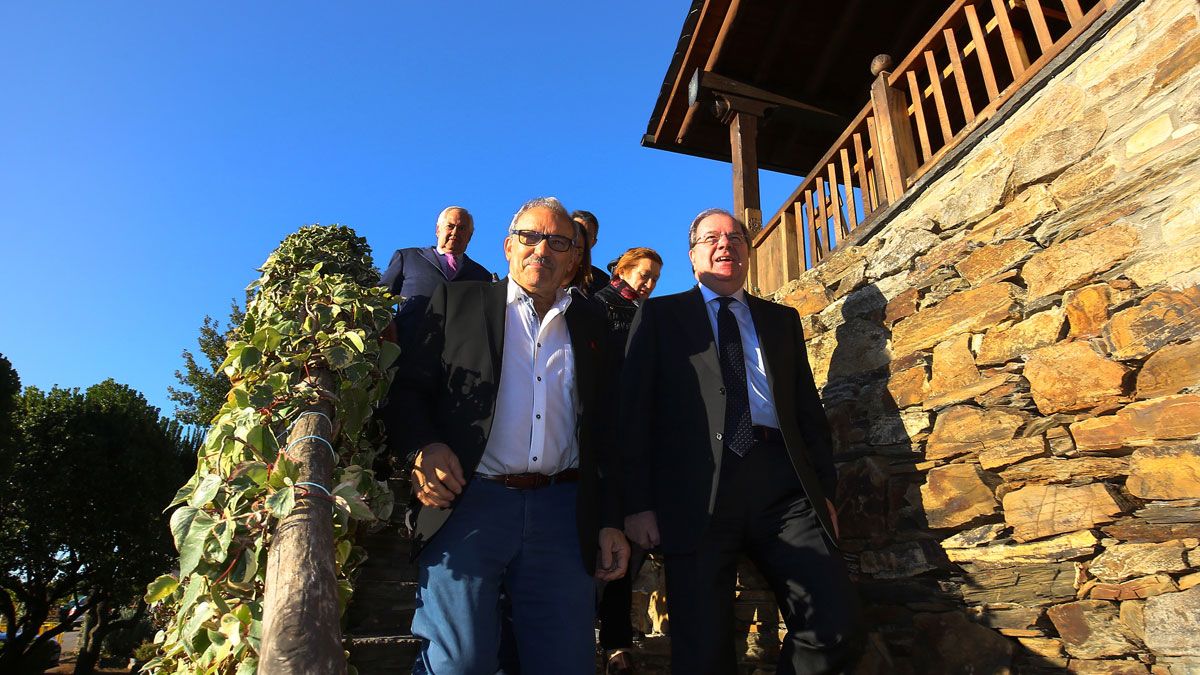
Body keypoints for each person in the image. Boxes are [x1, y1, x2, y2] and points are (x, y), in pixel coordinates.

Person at [390, 197, 630, 675]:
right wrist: (423, 446)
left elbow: (606, 428)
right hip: (470, 505)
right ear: (508, 247)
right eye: (530, 237)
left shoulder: (592, 323)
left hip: (563, 512)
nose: (542, 248)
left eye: (558, 241)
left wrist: (609, 518)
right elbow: (407, 392)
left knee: (566, 664)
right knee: (458, 664)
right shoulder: (458, 302)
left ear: (573, 258)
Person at [620, 209, 863, 675]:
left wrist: (823, 493)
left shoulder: (781, 320)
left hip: (782, 488)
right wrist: (637, 504)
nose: (724, 245)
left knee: (836, 621)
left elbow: (808, 414)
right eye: (711, 238)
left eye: (735, 238)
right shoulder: (659, 316)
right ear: (693, 256)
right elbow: (632, 415)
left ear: (748, 252)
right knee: (702, 649)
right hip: (696, 491)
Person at [591, 246, 662, 675]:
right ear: (622, 270)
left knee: (627, 546)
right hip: (597, 441)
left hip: (636, 443)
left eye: (655, 277)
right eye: (643, 274)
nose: (648, 283)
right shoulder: (598, 306)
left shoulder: (651, 316)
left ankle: (616, 641)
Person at [379, 206, 491, 340]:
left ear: (469, 237)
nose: (455, 232)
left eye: (462, 228)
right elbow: (379, 297)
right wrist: (387, 330)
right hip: (408, 351)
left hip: (458, 356)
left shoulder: (482, 276)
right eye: (450, 226)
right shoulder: (407, 257)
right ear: (438, 230)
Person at [570, 209, 611, 296]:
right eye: (577, 231)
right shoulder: (550, 268)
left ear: (594, 242)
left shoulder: (602, 281)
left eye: (587, 235)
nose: (581, 237)